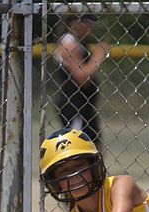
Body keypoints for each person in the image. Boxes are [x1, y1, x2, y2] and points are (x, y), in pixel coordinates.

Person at [53, 14, 109, 152]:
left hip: (85, 107)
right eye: (89, 25)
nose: (92, 29)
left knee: (97, 149)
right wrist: (99, 56)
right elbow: (81, 77)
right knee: (78, 150)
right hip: (74, 106)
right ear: (77, 24)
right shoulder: (68, 43)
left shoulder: (80, 43)